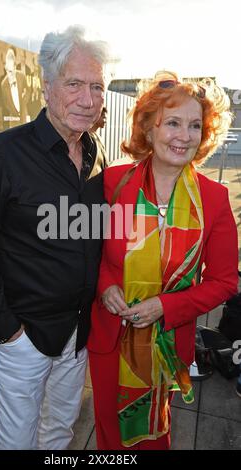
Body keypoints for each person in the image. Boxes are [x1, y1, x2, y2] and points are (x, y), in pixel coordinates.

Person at [0, 25, 112, 450]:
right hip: (23, 339)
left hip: (76, 339)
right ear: (47, 87)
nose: (88, 99)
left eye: (97, 86)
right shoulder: (4, 154)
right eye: (74, 83)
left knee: (58, 435)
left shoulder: (96, 156)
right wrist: (7, 330)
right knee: (16, 444)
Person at [87, 71, 239, 450]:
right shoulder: (114, 184)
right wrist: (106, 286)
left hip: (166, 342)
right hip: (110, 336)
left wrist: (164, 306)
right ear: (149, 129)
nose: (184, 135)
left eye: (194, 126)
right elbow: (91, 255)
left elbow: (223, 282)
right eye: (172, 123)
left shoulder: (214, 200)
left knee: (154, 432)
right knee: (108, 427)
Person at [0, 48, 28, 128]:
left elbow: (28, 91)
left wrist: (24, 101)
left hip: (23, 116)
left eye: (11, 71)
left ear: (15, 67)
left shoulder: (22, 77)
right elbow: (5, 103)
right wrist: (14, 112)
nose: (9, 75)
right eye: (8, 71)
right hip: (13, 119)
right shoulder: (3, 84)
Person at [89, 106, 108, 177]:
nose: (105, 120)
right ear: (97, 116)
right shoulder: (87, 138)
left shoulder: (98, 137)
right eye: (104, 117)